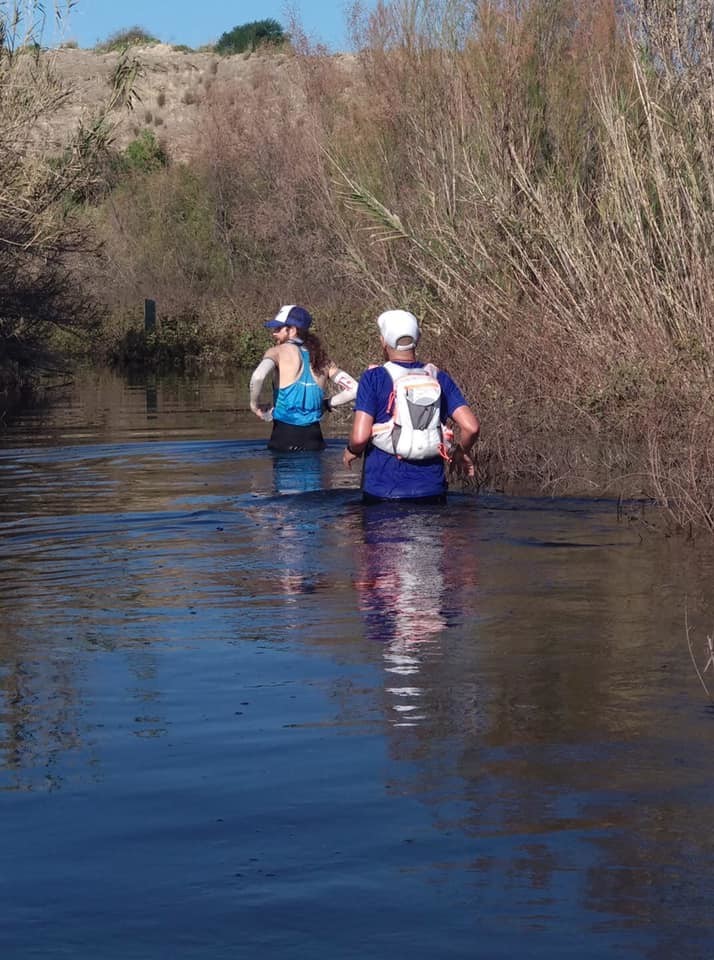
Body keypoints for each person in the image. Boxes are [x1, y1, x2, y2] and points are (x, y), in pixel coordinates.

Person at [342, 309, 480, 502]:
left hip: (382, 492)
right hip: (432, 491)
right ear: (418, 339)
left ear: (383, 341)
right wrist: (461, 452)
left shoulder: (373, 378)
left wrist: (352, 451)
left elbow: (359, 438)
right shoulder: (438, 377)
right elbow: (471, 427)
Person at [249, 304, 358, 452]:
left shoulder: (276, 352)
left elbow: (258, 376)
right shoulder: (322, 359)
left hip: (284, 437)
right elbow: (355, 389)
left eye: (278, 329)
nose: (274, 333)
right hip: (314, 439)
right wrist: (326, 404)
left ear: (292, 330)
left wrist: (254, 406)